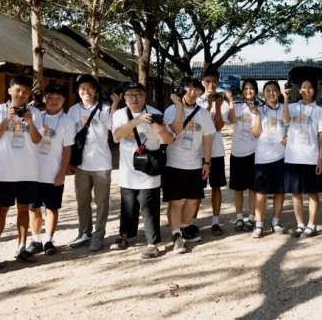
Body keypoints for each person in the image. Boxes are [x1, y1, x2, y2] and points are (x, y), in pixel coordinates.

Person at [0, 76, 43, 267]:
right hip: (5, 170)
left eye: (25, 91)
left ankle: (22, 247)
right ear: (10, 91)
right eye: (18, 90)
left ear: (29, 94)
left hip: (27, 170)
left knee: (24, 209)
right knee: (0, 210)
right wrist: (7, 119)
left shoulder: (35, 112)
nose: (21, 94)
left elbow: (37, 140)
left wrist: (30, 122)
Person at [111, 82, 175, 259]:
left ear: (145, 96)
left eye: (138, 94)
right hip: (127, 170)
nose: (134, 98)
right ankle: (125, 236)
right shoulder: (119, 114)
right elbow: (116, 137)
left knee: (149, 207)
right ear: (124, 98)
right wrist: (136, 121)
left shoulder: (156, 114)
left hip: (149, 169)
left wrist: (161, 129)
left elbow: (169, 140)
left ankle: (153, 243)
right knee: (128, 206)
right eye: (130, 95)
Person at [67, 74, 120, 252]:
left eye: (90, 88)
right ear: (77, 91)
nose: (86, 91)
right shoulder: (73, 110)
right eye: (82, 88)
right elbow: (68, 136)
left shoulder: (104, 108)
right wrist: (69, 161)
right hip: (81, 164)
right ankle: (84, 233)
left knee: (101, 202)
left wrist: (114, 107)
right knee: (82, 201)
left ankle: (98, 234)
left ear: (96, 90)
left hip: (101, 164)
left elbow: (114, 128)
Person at [163, 77, 215, 254]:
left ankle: (184, 227)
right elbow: (175, 130)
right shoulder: (171, 110)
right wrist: (179, 107)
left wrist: (207, 162)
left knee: (193, 201)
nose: (193, 93)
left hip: (194, 163)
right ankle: (176, 235)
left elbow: (207, 138)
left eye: (196, 90)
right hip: (173, 163)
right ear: (182, 89)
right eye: (189, 89)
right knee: (175, 201)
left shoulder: (203, 114)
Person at [27, 84, 76, 256]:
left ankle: (48, 240)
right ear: (44, 98)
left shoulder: (68, 121)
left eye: (58, 98)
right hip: (33, 172)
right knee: (33, 207)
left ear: (64, 100)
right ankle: (36, 240)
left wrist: (62, 172)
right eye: (50, 97)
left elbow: (67, 149)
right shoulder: (37, 117)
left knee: (52, 208)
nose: (54, 101)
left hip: (53, 171)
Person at [283, 77, 322, 237]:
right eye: (303, 87)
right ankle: (300, 224)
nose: (306, 90)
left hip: (311, 157)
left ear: (314, 90)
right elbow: (286, 120)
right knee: (295, 193)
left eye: (310, 87)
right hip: (293, 157)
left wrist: (321, 159)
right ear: (299, 89)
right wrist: (286, 98)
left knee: (312, 192)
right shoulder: (293, 107)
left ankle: (311, 224)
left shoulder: (319, 111)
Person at [196, 66, 230, 236]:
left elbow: (217, 127)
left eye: (214, 81)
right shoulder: (195, 100)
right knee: (196, 189)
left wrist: (215, 105)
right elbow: (199, 125)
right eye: (208, 81)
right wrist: (208, 106)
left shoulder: (223, 102)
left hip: (216, 151)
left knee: (216, 186)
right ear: (202, 82)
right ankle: (191, 222)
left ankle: (215, 221)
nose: (211, 84)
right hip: (197, 152)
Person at [251, 81, 288, 238]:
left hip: (281, 156)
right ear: (263, 93)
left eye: (274, 90)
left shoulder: (285, 108)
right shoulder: (258, 110)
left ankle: (276, 222)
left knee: (279, 190)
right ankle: (259, 224)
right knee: (261, 192)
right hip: (263, 157)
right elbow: (255, 133)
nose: (271, 93)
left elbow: (291, 126)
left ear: (279, 93)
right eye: (268, 90)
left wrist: (289, 137)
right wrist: (257, 116)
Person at [227, 79, 261, 233]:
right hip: (236, 153)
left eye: (251, 88)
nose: (248, 91)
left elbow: (257, 132)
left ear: (256, 91)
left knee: (253, 189)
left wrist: (256, 113)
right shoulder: (237, 106)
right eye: (246, 88)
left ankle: (252, 218)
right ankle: (239, 217)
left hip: (253, 152)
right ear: (242, 91)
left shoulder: (261, 107)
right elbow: (232, 120)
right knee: (238, 189)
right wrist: (230, 101)